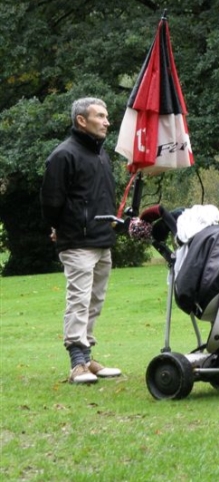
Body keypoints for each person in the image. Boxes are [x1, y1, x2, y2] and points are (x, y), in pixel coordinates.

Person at [40, 97, 122, 384]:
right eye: (100, 116)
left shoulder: (101, 155)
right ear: (81, 121)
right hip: (76, 241)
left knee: (94, 300)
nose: (107, 121)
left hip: (102, 240)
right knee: (79, 299)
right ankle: (77, 363)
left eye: (107, 116)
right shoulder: (64, 155)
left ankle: (87, 359)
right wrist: (56, 226)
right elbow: (51, 200)